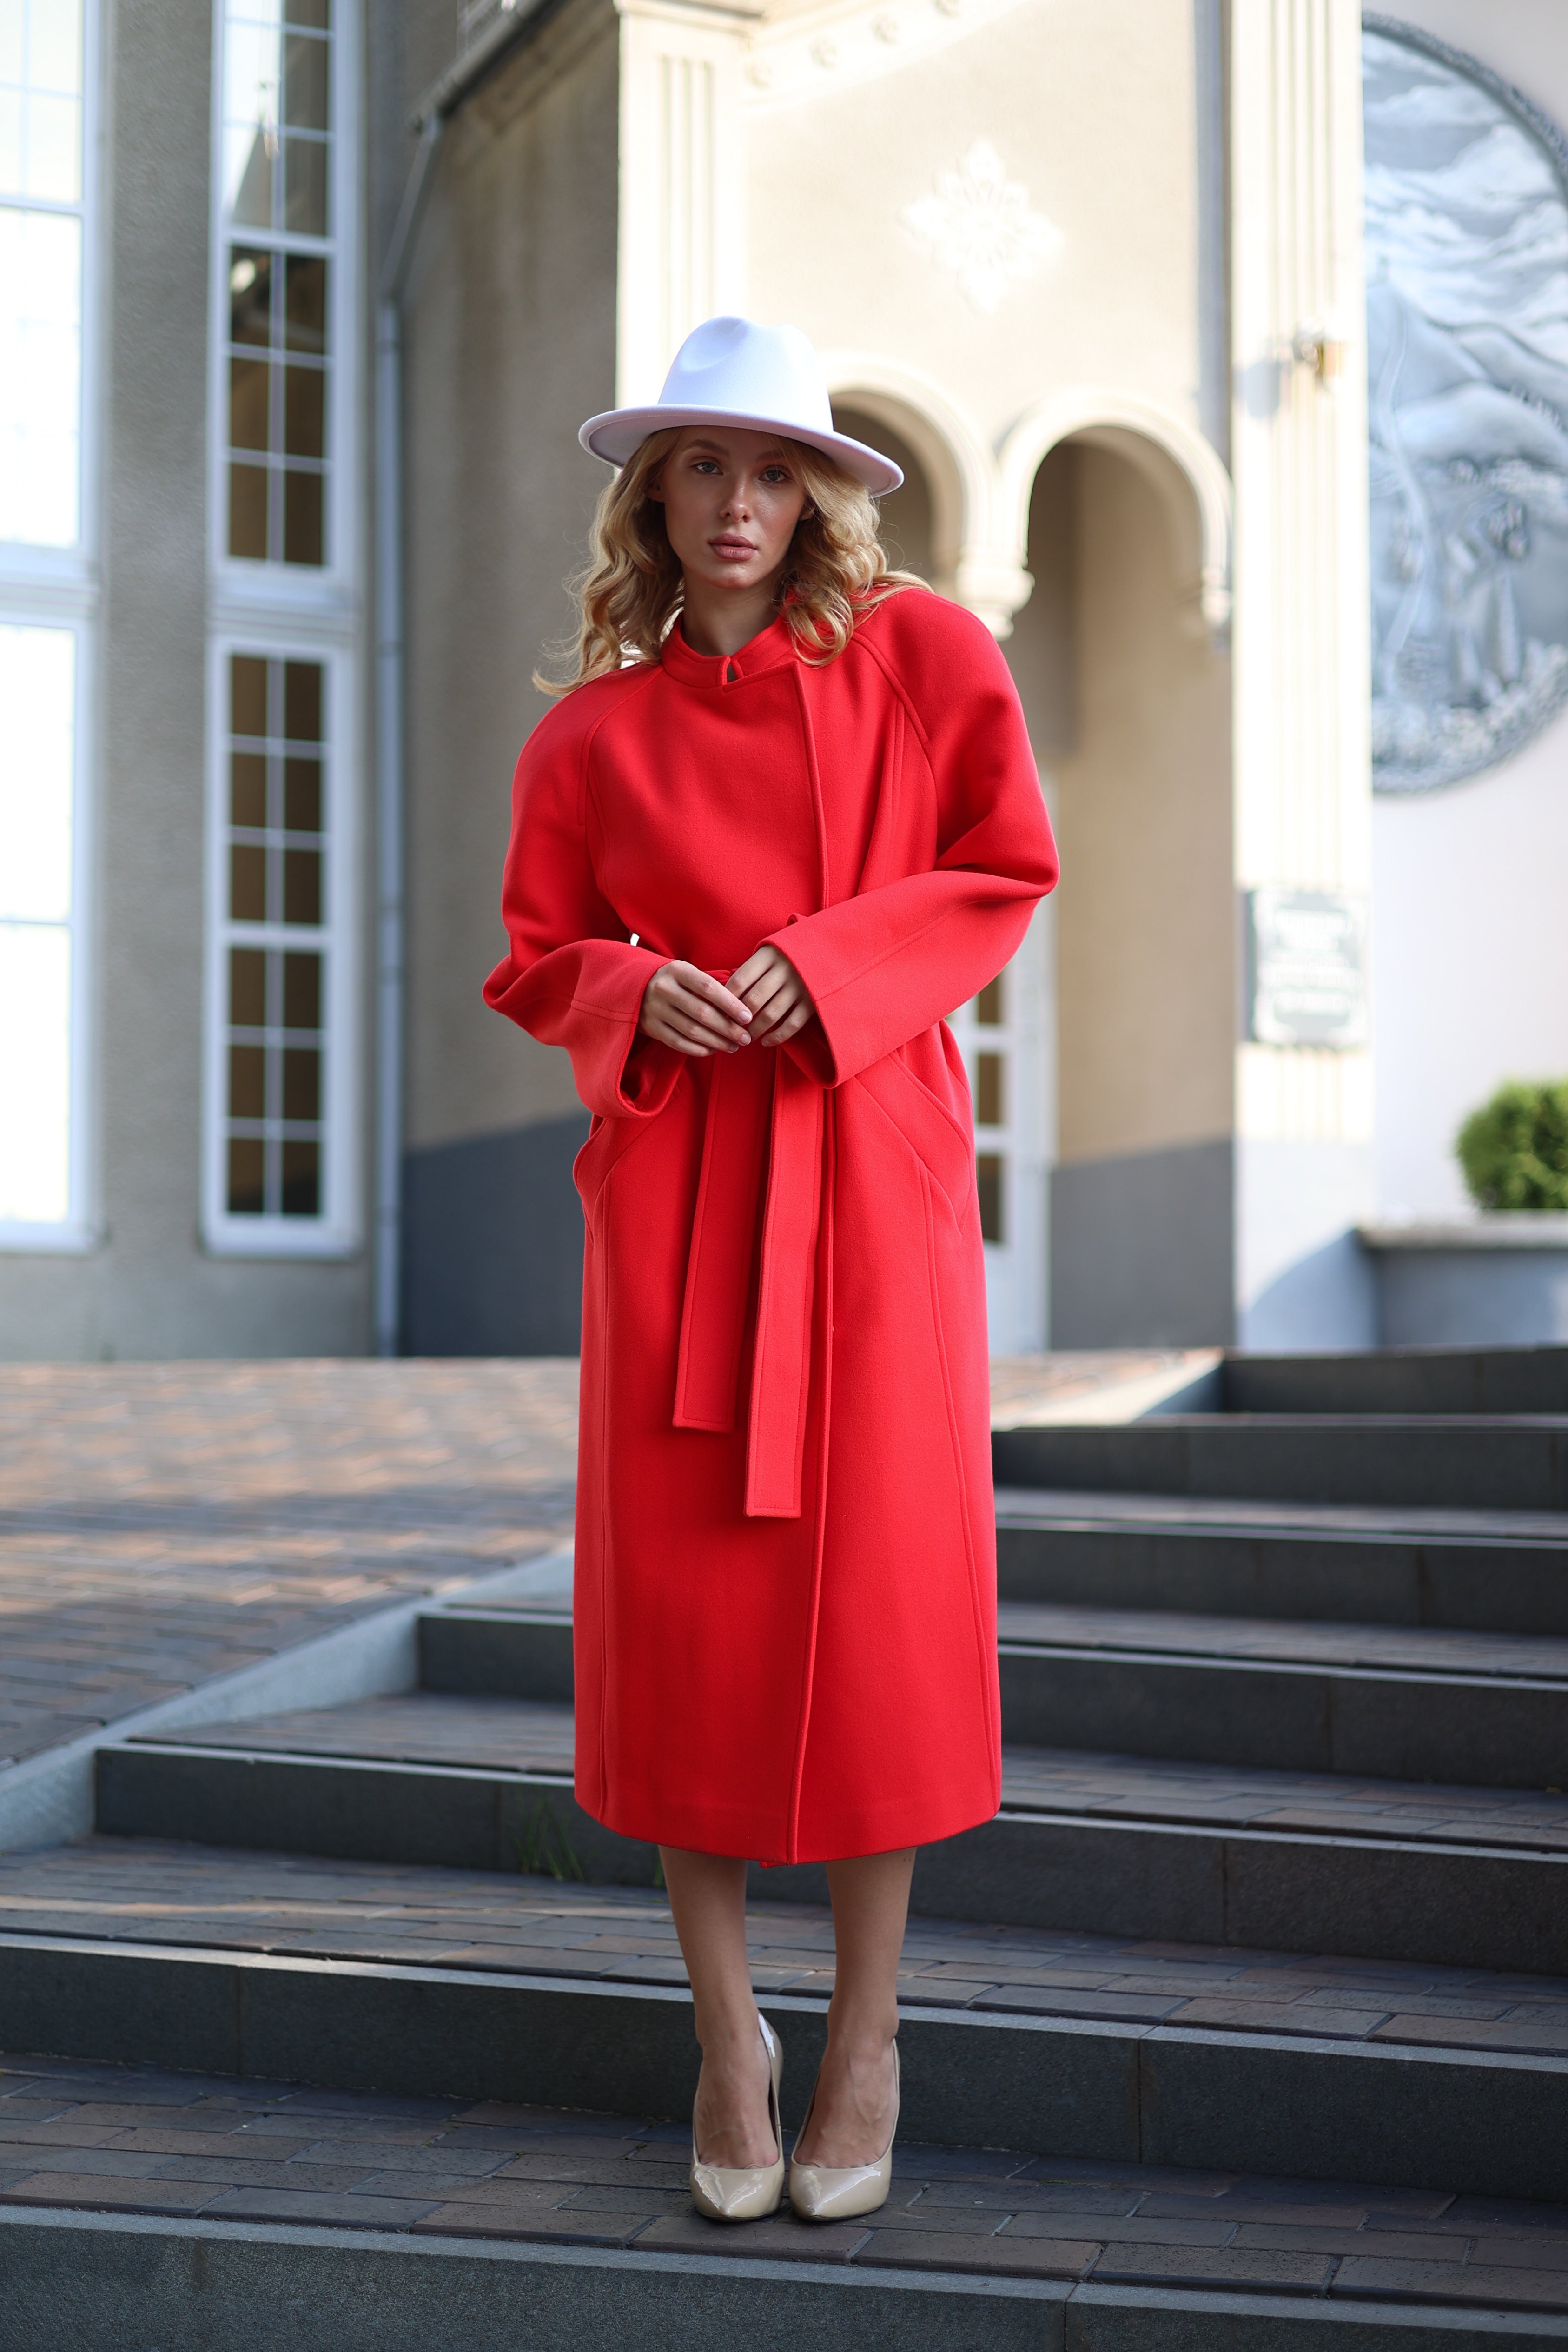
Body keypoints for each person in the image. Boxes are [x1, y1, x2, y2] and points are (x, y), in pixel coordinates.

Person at [483, 315, 1059, 2223]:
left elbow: (1005, 866)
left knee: (878, 1608)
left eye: (774, 469)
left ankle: (869, 2035)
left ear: (818, 495)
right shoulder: (588, 736)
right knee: (692, 1623)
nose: (740, 502)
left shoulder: (925, 657)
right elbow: (533, 954)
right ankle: (727, 2036)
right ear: (652, 495)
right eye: (703, 466)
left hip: (871, 1174)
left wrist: (830, 965)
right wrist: (637, 987)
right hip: (680, 1192)